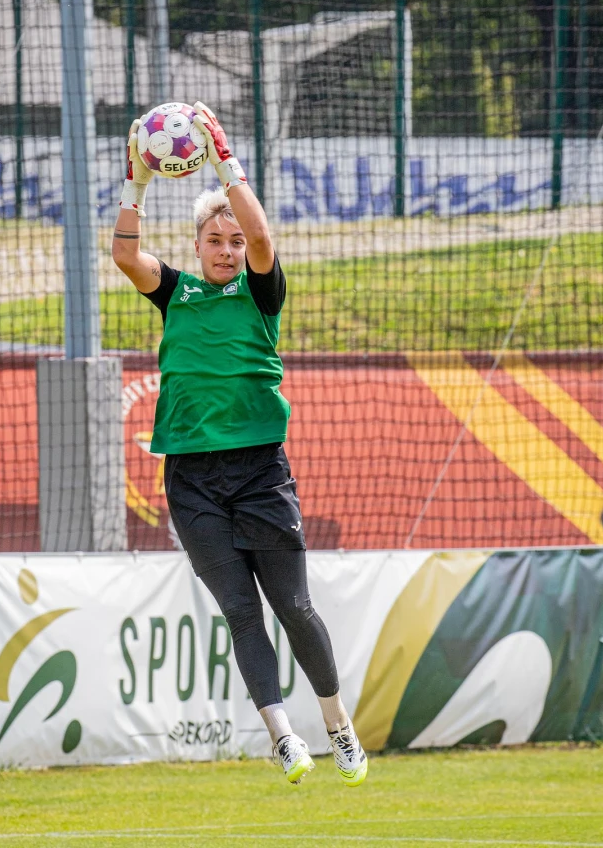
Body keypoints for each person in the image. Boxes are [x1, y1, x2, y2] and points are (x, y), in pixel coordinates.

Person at [111, 102, 368, 786]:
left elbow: (260, 233)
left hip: (260, 473)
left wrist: (225, 159)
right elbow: (125, 254)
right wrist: (136, 181)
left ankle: (338, 725)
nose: (227, 250)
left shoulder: (261, 293)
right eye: (214, 241)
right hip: (191, 480)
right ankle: (283, 738)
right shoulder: (176, 294)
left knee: (295, 609)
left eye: (232, 241)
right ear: (196, 246)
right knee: (240, 612)